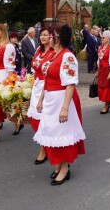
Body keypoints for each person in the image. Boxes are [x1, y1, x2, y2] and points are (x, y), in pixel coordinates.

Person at [34, 25, 85, 186]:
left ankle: (64, 168)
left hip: (61, 100)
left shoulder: (67, 56)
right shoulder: (53, 55)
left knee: (61, 134)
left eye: (53, 36)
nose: (49, 38)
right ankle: (58, 164)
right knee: (52, 134)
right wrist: (41, 99)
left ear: (60, 38)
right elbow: (46, 79)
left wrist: (65, 108)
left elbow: (70, 84)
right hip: (50, 99)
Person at [27, 27, 55, 164]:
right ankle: (44, 145)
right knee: (35, 119)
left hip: (47, 87)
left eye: (46, 35)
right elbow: (34, 67)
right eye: (42, 35)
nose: (43, 37)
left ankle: (44, 150)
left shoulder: (54, 52)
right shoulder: (38, 50)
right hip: (36, 86)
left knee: (44, 119)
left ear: (51, 37)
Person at [97, 30, 110, 114]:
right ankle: (108, 100)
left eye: (103, 37)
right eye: (102, 37)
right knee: (101, 87)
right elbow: (98, 58)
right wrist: (98, 68)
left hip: (108, 69)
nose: (102, 38)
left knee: (107, 87)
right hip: (102, 69)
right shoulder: (100, 47)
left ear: (108, 38)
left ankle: (107, 103)